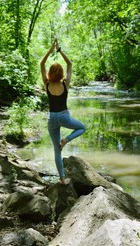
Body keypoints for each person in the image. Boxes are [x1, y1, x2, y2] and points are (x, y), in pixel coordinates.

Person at [40, 39, 86, 184]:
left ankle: (62, 179)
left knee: (57, 150)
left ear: (50, 73)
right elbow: (70, 64)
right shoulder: (65, 84)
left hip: (52, 119)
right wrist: (59, 50)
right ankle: (66, 140)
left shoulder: (46, 84)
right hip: (64, 117)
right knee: (82, 127)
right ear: (60, 74)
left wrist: (50, 50)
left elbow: (41, 64)